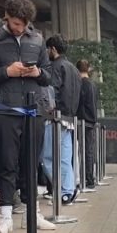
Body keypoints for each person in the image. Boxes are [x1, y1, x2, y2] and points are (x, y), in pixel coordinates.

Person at [0, 0, 54, 233]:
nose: (18, 28)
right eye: (15, 23)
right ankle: (5, 215)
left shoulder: (38, 39)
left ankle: (34, 213)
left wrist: (37, 72)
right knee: (6, 163)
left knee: (32, 163)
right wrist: (7, 71)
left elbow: (49, 77)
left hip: (34, 109)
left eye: (22, 24)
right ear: (6, 16)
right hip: (4, 110)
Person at [42, 35, 81, 205]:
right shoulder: (73, 68)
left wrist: (48, 108)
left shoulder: (54, 67)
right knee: (64, 157)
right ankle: (69, 190)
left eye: (47, 49)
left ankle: (64, 191)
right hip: (69, 118)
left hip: (55, 117)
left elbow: (52, 91)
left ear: (53, 49)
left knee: (48, 157)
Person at [77, 59, 99, 189]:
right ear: (88, 69)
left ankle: (86, 178)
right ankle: (90, 178)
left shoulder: (80, 84)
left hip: (81, 120)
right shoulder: (93, 85)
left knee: (82, 151)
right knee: (88, 150)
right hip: (91, 120)